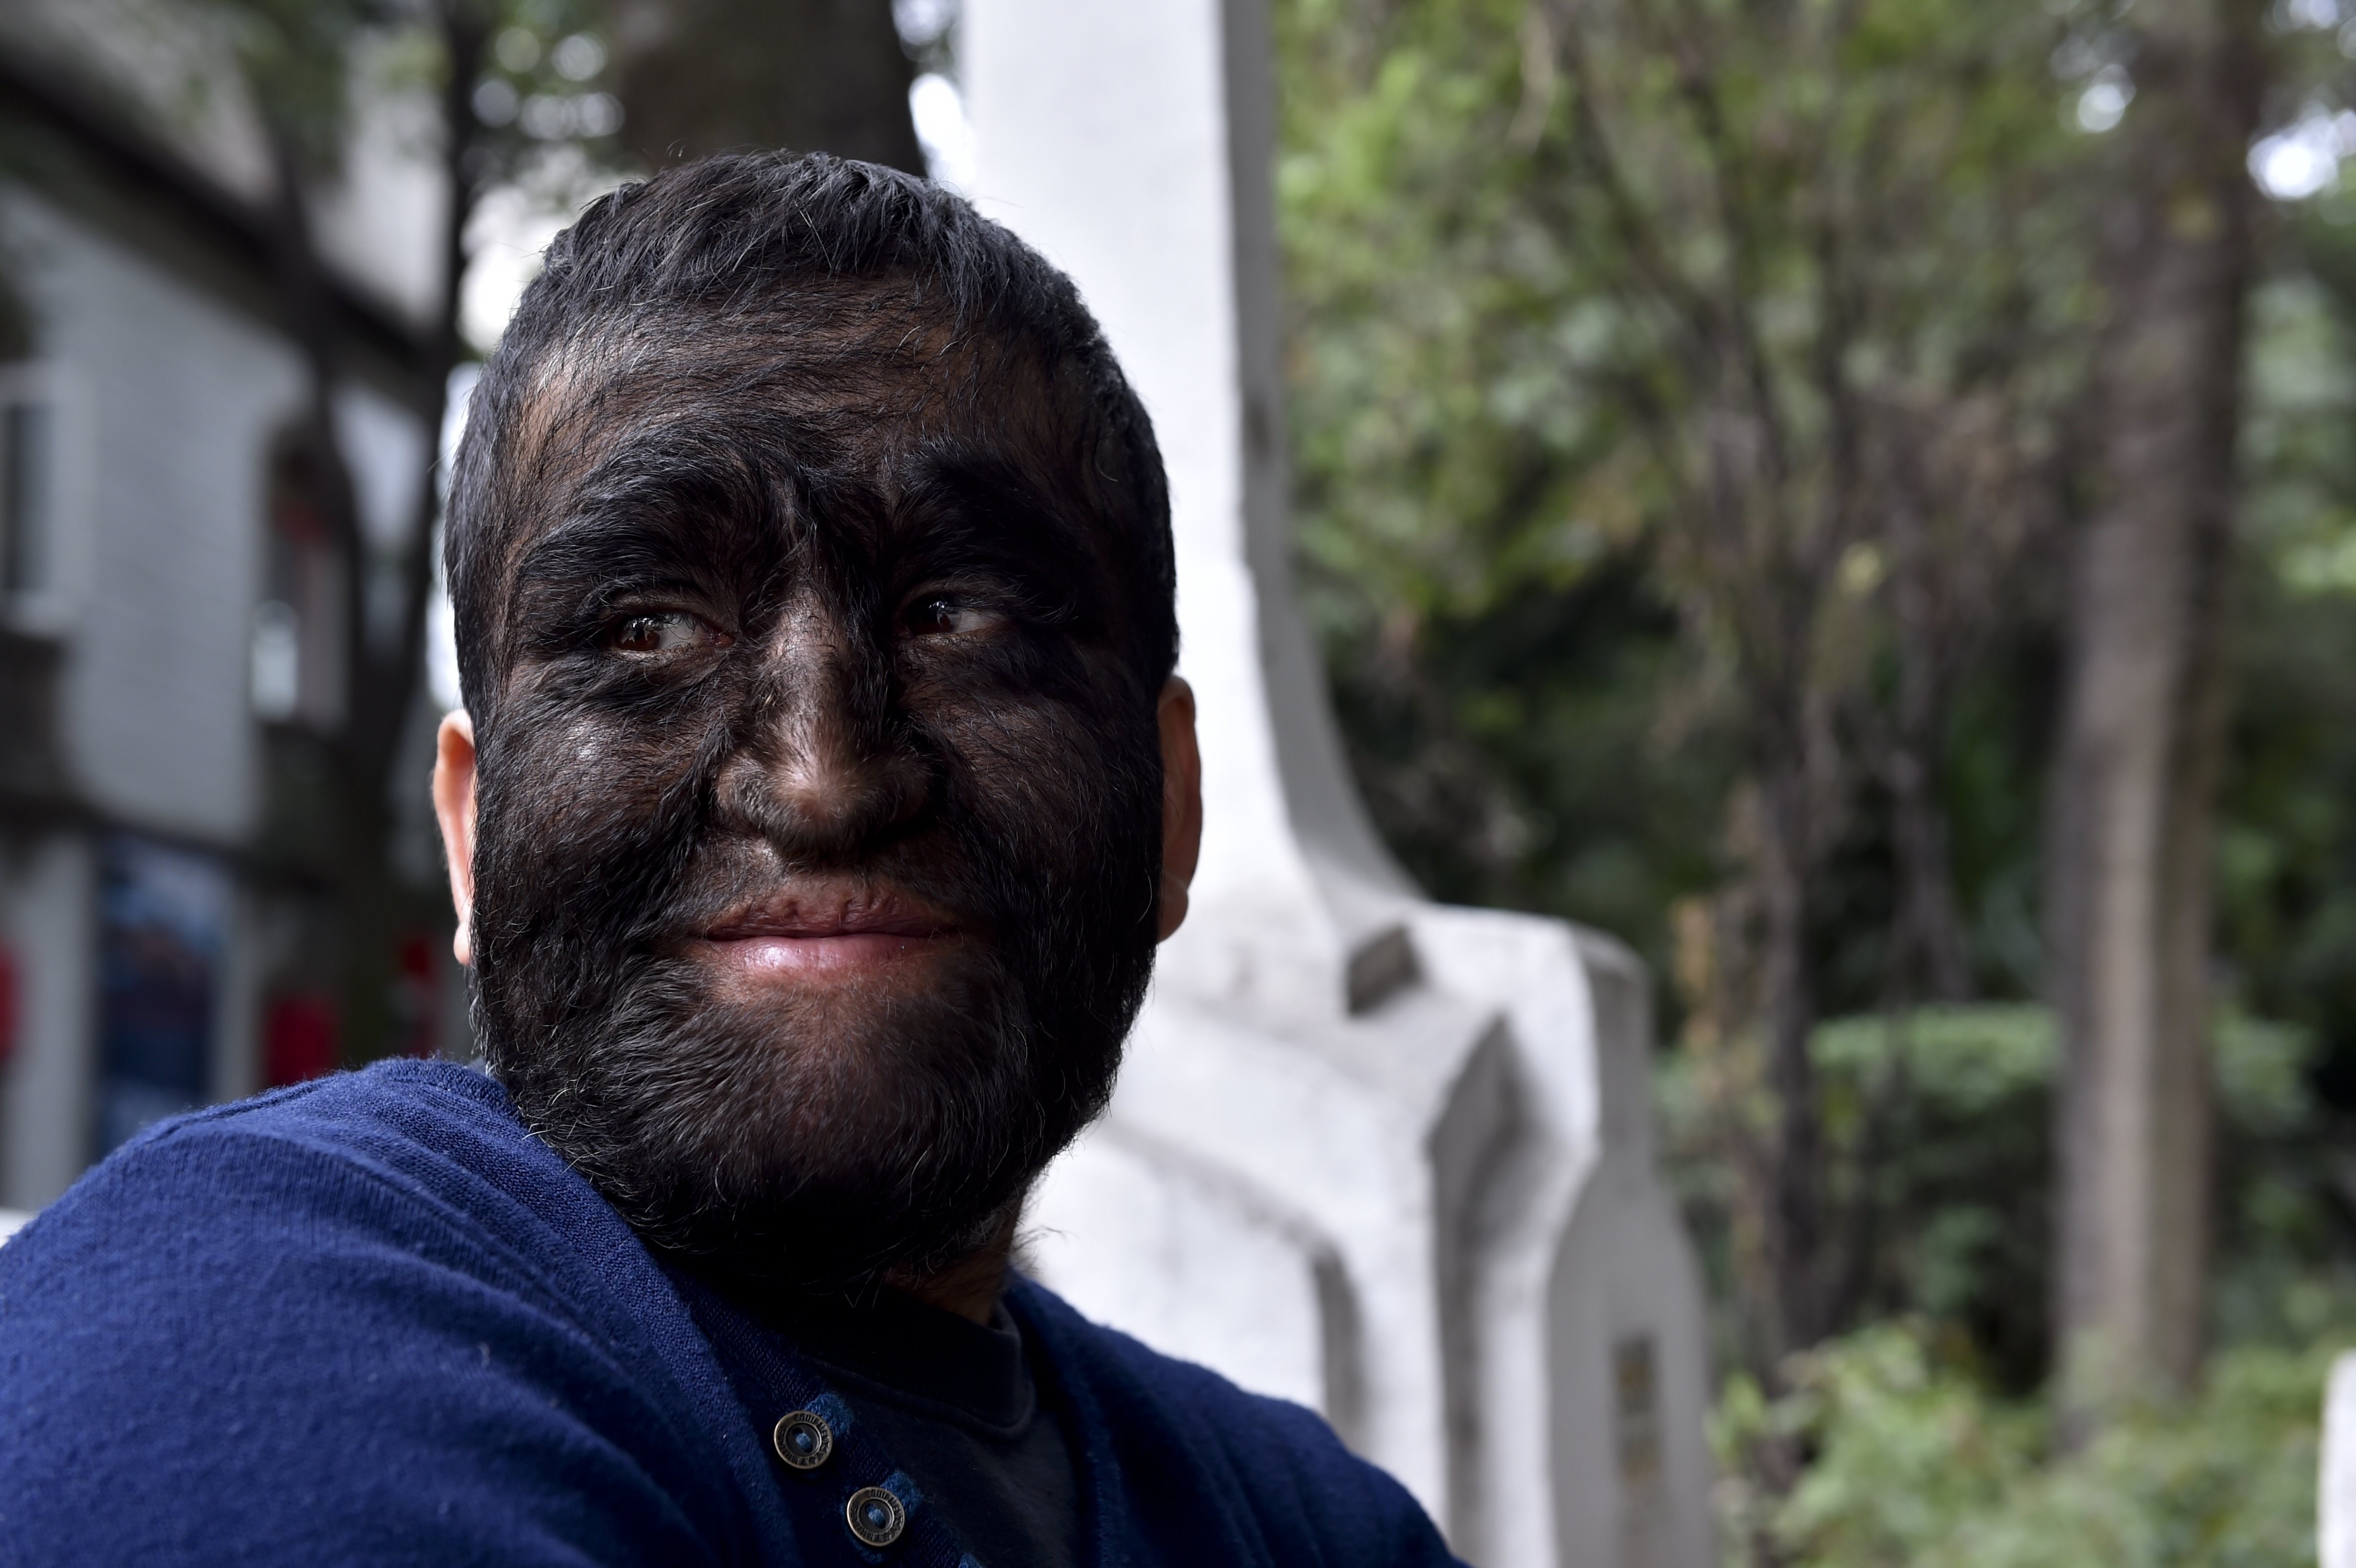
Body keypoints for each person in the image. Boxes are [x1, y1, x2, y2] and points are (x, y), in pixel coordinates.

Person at [0, 154, 1462, 1568]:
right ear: (470, 833)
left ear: (1171, 805)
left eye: (959, 613)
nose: (823, 782)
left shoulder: (1311, 1522)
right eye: (646, 631)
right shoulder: (258, 1315)